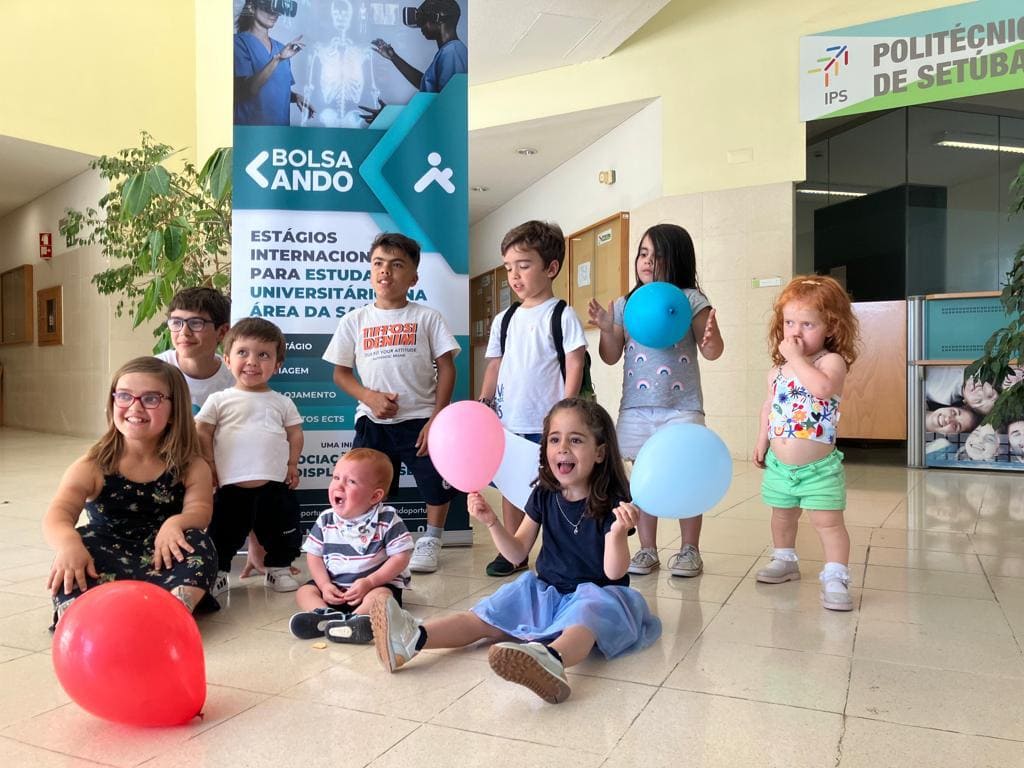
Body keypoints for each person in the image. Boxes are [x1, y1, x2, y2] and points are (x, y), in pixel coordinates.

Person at [368, 398, 661, 704]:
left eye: (575, 440)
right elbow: (517, 552)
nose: (562, 449)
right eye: (554, 440)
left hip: (599, 593)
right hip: (547, 590)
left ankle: (551, 659)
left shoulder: (613, 501)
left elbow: (614, 572)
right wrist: (491, 522)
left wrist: (616, 533)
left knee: (584, 617)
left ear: (599, 452)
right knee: (487, 614)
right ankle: (413, 638)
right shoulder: (545, 494)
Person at [588, 224, 723, 578]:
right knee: (644, 479)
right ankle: (647, 549)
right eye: (643, 253)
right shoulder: (626, 304)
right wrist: (607, 328)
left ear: (678, 259)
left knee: (686, 474)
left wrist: (711, 337)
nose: (647, 261)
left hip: (682, 407)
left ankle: (690, 549)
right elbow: (610, 356)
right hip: (637, 407)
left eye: (657, 255)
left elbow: (712, 351)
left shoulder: (690, 300)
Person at [322, 233, 460, 574]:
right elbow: (340, 374)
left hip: (421, 419)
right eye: (379, 264)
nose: (386, 271)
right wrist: (368, 397)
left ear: (413, 277)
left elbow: (447, 367)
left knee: (435, 481)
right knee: (363, 481)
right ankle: (371, 539)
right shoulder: (354, 321)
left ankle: (432, 539)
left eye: (397, 265)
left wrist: (437, 418)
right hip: (372, 421)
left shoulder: (427, 318)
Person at [42, 358, 217, 625]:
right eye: (124, 396)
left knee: (198, 542)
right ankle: (80, 618)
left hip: (165, 554)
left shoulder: (191, 465)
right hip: (106, 552)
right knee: (77, 547)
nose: (135, 407)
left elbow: (201, 510)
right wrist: (68, 544)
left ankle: (173, 611)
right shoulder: (92, 465)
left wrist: (176, 523)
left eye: (151, 398)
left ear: (174, 411)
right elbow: (58, 513)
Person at [479, 220, 587, 577]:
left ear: (551, 268)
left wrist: (566, 411)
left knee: (556, 486)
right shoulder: (504, 319)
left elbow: (574, 362)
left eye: (523, 265)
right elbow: (495, 364)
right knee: (511, 486)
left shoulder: (561, 314)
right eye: (509, 267)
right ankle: (514, 550)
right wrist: (484, 403)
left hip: (548, 424)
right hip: (510, 421)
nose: (514, 275)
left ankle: (562, 548)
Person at [753, 275, 860, 612]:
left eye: (807, 324)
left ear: (831, 326)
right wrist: (761, 440)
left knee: (828, 523)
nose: (795, 333)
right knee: (781, 517)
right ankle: (784, 559)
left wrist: (797, 360)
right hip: (780, 466)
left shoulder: (830, 362)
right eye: (789, 323)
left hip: (819, 469)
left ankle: (836, 575)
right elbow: (769, 407)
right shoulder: (777, 371)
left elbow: (823, 389)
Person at [197, 318, 304, 596]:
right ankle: (218, 573)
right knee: (222, 532)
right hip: (230, 486)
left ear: (277, 364)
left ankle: (278, 569)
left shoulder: (282, 402)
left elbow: (295, 434)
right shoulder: (219, 400)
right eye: (243, 352)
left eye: (263, 355)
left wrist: (292, 463)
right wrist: (209, 464)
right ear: (227, 359)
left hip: (275, 485)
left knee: (283, 529)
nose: (252, 361)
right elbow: (202, 430)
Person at [289, 449, 413, 643]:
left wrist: (370, 582)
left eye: (351, 481)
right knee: (304, 592)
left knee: (381, 597)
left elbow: (401, 557)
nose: (339, 485)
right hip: (334, 588)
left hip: (374, 586)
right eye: (336, 477)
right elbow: (314, 556)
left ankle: (356, 621)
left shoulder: (387, 519)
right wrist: (324, 585)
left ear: (375, 496)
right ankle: (325, 614)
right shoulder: (326, 519)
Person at [363, 0, 466, 121]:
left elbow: (446, 108)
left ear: (437, 19)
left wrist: (389, 116)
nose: (420, 26)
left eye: (422, 20)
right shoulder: (450, 51)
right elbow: (426, 84)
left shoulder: (452, 53)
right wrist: (393, 56)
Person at [234, 0, 314, 126]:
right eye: (268, 8)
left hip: (280, 131)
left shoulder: (281, 48)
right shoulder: (238, 43)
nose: (274, 14)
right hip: (251, 130)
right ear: (251, 8)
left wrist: (295, 97)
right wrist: (277, 59)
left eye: (277, 10)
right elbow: (248, 90)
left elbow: (274, 89)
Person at [156, 287, 234, 416]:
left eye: (196, 323)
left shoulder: (235, 379)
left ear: (222, 332)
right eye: (176, 322)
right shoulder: (154, 372)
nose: (184, 332)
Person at [303, 0, 379, 128]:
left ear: (351, 16)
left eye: (345, 14)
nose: (340, 17)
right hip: (326, 115)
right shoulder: (319, 50)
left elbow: (373, 89)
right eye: (336, 13)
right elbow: (309, 88)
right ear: (331, 16)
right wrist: (303, 122)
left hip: (355, 117)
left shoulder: (364, 52)